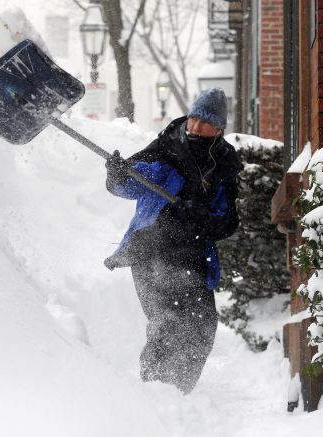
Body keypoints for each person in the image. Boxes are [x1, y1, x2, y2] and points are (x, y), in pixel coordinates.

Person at [104, 88, 243, 394]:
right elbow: (132, 181)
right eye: (193, 120)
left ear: (219, 129)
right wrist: (117, 175)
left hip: (193, 257)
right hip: (151, 250)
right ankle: (154, 394)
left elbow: (227, 222)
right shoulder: (167, 149)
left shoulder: (223, 164)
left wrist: (200, 216)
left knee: (202, 326)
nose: (195, 128)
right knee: (167, 323)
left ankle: (178, 393)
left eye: (204, 124)